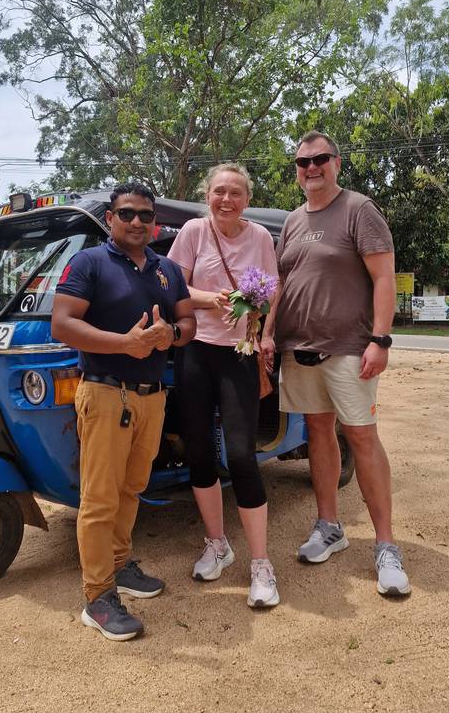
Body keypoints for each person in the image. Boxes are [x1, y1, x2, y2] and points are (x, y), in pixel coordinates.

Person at [262, 132, 411, 597]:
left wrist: (380, 340)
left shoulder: (359, 210)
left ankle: (386, 545)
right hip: (298, 348)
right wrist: (267, 331)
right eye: (303, 161)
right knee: (317, 433)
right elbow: (281, 284)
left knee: (362, 436)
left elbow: (383, 276)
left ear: (337, 163)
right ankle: (329, 526)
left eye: (320, 159)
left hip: (349, 348)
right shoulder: (291, 221)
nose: (311, 167)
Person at [51, 183, 196, 641]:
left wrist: (169, 335)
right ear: (110, 218)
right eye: (127, 213)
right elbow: (63, 323)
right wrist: (126, 344)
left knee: (133, 487)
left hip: (152, 397)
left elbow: (189, 322)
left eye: (145, 215)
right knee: (100, 497)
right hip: (105, 392)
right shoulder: (89, 263)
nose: (137, 222)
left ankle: (118, 565)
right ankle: (97, 596)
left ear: (155, 222)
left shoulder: (167, 269)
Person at [167, 163, 280, 609]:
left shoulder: (260, 239)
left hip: (239, 353)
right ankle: (218, 543)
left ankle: (260, 563)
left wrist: (256, 314)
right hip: (196, 351)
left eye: (235, 192)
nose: (226, 199)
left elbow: (270, 291)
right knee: (197, 450)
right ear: (207, 195)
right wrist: (210, 299)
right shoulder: (194, 231)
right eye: (219, 192)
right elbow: (173, 286)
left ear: (246, 199)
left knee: (240, 454)